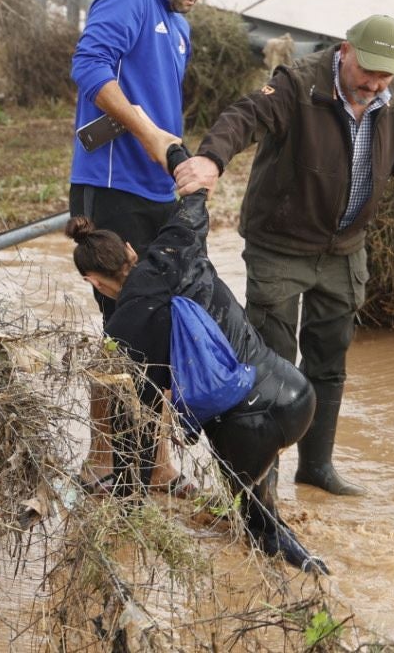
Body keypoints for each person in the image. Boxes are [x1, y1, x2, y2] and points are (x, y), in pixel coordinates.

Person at [173, 15, 394, 496]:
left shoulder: (391, 99)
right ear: (344, 50)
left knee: (329, 362)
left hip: (344, 251)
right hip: (281, 246)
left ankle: (316, 468)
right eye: (367, 71)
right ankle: (258, 482)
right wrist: (211, 158)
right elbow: (244, 116)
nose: (373, 84)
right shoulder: (297, 84)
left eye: (384, 75)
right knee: (268, 364)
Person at [69, 187, 327, 574]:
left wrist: (126, 505)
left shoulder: (124, 331)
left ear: (93, 281)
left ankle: (317, 581)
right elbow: (193, 201)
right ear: (130, 249)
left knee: (262, 533)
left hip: (245, 432)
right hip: (296, 395)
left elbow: (140, 424)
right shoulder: (176, 245)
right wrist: (181, 161)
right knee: (257, 510)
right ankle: (308, 562)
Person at [70, 0, 226, 492]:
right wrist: (145, 132)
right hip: (112, 189)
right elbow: (88, 68)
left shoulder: (179, 25)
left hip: (158, 193)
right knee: (120, 329)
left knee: (156, 330)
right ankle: (102, 460)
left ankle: (157, 466)